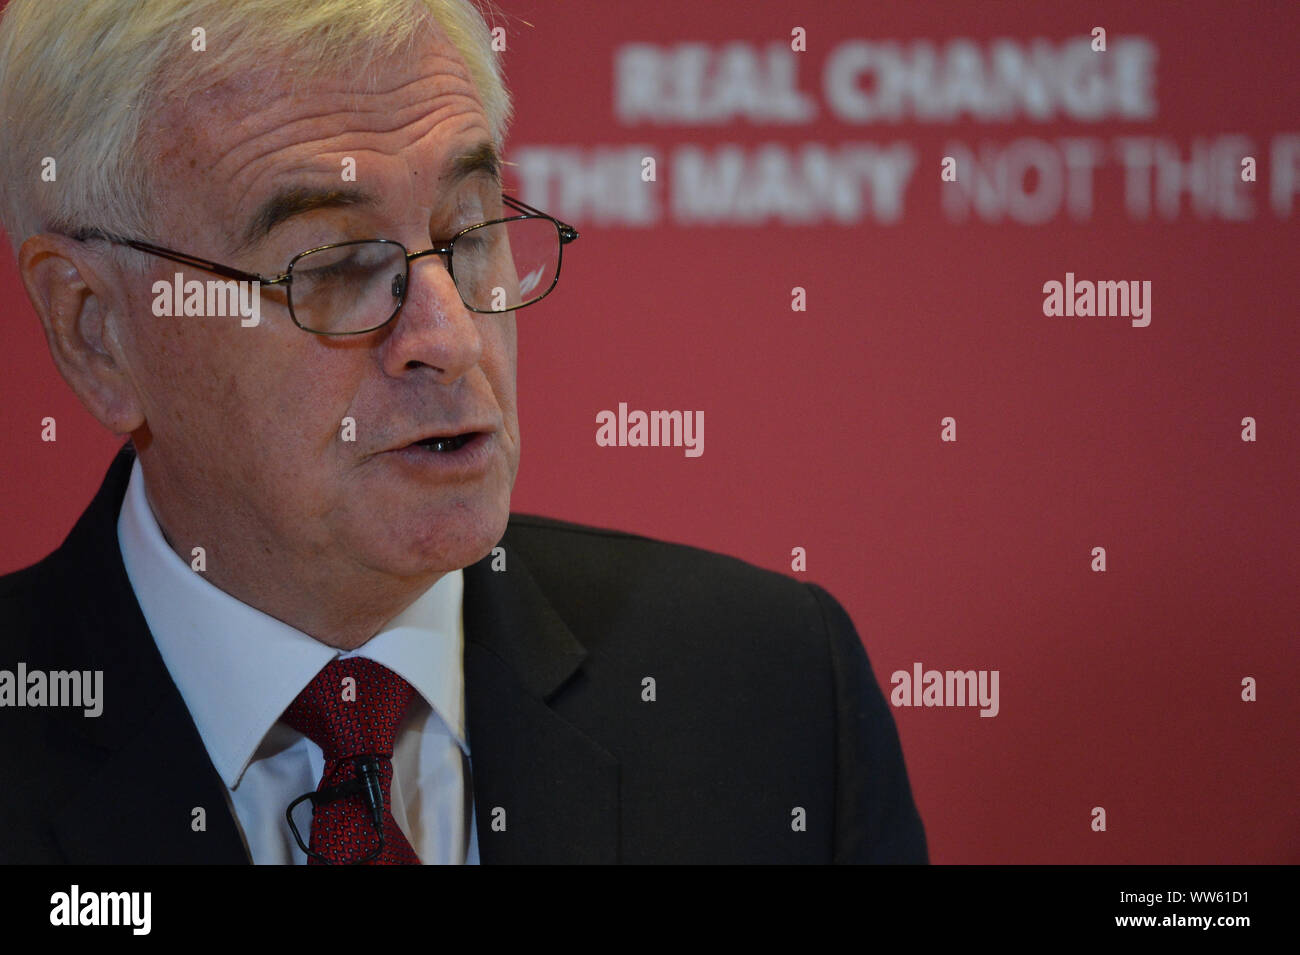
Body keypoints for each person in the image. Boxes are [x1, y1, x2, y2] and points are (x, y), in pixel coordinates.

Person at [0, 0, 927, 864]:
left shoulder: (773, 696)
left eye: (468, 229)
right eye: (336, 262)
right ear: (96, 329)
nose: (449, 337)